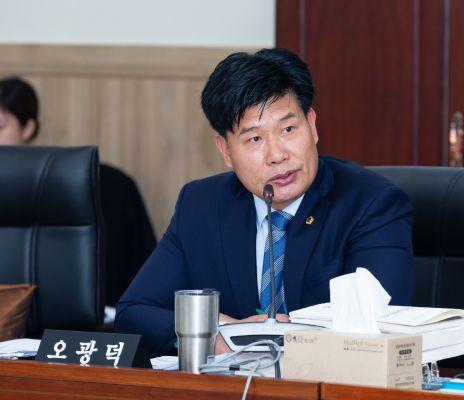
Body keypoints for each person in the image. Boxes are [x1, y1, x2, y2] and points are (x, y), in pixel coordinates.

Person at [115, 48, 414, 357]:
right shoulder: (201, 205)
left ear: (312, 126)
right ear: (226, 151)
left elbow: (378, 329)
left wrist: (271, 338)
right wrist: (212, 335)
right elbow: (134, 312)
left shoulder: (371, 205)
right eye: (254, 139)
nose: (277, 155)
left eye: (288, 129)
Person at [0, 76, 157, 307]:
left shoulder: (105, 185)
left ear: (28, 128)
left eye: (0, 127)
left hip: (79, 317)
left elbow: (149, 268)